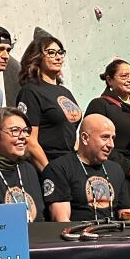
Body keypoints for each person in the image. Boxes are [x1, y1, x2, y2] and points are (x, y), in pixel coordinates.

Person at [85, 59, 130, 210]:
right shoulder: (100, 105)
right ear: (109, 80)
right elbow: (97, 145)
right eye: (124, 76)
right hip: (118, 174)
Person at [41, 114, 130, 222]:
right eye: (105, 137)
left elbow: (125, 212)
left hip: (112, 235)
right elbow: (61, 221)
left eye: (112, 138)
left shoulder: (116, 169)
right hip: (79, 236)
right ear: (85, 138)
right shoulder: (59, 169)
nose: (111, 144)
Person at [16, 36, 82, 172]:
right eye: (51, 53)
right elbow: (29, 141)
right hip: (50, 164)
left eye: (60, 53)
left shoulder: (65, 91)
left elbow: (71, 131)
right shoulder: (30, 91)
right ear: (37, 57)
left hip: (71, 165)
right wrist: (50, 173)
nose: (58, 57)